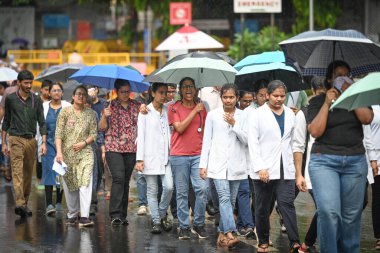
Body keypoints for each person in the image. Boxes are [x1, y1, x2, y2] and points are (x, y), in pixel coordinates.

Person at [307, 60, 374, 253]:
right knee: (329, 212)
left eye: (347, 75)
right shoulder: (318, 101)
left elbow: (367, 119)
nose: (343, 78)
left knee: (351, 216)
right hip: (324, 162)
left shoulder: (358, 97)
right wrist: (327, 103)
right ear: (329, 79)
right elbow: (315, 131)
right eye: (338, 75)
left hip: (354, 162)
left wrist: (350, 94)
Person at [247, 80, 300, 252]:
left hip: (285, 167)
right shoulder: (257, 114)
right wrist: (260, 167)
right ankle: (263, 241)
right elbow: (252, 142)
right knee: (262, 207)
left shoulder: (291, 114)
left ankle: (294, 242)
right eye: (275, 95)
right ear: (268, 95)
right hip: (265, 169)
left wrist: (298, 171)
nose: (278, 99)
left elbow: (294, 142)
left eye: (282, 96)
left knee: (287, 204)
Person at [199, 84, 246, 248]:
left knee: (231, 201)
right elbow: (207, 141)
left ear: (237, 98)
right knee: (224, 198)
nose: (228, 100)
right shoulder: (213, 115)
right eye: (225, 97)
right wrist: (203, 164)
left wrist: (235, 125)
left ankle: (221, 232)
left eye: (231, 97)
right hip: (217, 164)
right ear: (221, 98)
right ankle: (230, 232)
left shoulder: (243, 116)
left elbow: (248, 141)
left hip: (237, 165)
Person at [2, 70, 47, 217]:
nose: (28, 85)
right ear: (19, 82)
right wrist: (4, 143)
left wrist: (43, 142)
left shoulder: (36, 100)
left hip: (31, 140)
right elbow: (6, 121)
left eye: (30, 82)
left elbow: (42, 122)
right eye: (26, 83)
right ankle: (20, 202)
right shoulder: (10, 99)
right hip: (15, 138)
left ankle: (24, 204)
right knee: (17, 171)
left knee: (28, 174)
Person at [168, 77, 208, 240]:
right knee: (182, 192)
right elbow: (180, 128)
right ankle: (184, 226)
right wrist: (194, 111)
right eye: (185, 87)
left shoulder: (203, 108)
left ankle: (198, 224)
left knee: (202, 189)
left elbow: (205, 131)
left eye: (191, 86)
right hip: (179, 155)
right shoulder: (173, 108)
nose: (188, 89)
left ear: (196, 89)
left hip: (198, 154)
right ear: (180, 90)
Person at [99, 79, 141, 225]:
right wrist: (105, 115)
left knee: (126, 181)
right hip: (113, 147)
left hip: (131, 148)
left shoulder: (137, 106)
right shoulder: (109, 105)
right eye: (123, 91)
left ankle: (123, 215)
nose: (125, 94)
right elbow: (102, 128)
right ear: (116, 91)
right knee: (118, 178)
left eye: (128, 91)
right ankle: (115, 214)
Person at [55, 85, 97, 227]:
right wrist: (59, 152)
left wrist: (84, 143)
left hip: (85, 153)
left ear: (86, 98)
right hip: (67, 154)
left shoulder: (91, 113)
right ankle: (72, 214)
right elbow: (58, 134)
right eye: (78, 94)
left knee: (85, 183)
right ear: (73, 96)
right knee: (70, 185)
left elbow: (94, 134)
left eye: (84, 95)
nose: (81, 96)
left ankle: (84, 216)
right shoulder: (65, 112)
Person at [292, 76, 326, 253]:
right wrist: (299, 174)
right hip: (314, 169)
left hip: (332, 167)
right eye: (320, 91)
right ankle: (307, 244)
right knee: (326, 208)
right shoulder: (304, 113)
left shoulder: (337, 109)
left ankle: (308, 244)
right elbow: (298, 145)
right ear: (313, 91)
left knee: (327, 209)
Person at [136, 82, 173, 233]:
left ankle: (162, 213)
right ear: (153, 93)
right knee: (152, 190)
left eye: (166, 93)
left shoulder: (168, 110)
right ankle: (157, 221)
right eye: (161, 93)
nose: (164, 96)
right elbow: (141, 136)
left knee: (169, 187)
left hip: (167, 156)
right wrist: (139, 159)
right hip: (149, 155)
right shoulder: (145, 112)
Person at [41, 82, 71, 216]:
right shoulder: (44, 107)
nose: (56, 93)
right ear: (49, 93)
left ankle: (59, 201)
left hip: (63, 144)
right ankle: (49, 204)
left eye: (59, 90)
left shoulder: (67, 106)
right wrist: (42, 143)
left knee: (60, 172)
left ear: (62, 93)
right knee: (48, 172)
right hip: (47, 144)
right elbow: (41, 126)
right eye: (54, 90)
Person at [235, 90, 255, 238]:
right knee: (242, 192)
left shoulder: (253, 114)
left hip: (251, 161)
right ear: (238, 100)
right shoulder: (233, 115)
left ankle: (243, 224)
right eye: (244, 101)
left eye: (250, 101)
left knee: (246, 193)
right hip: (236, 160)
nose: (247, 104)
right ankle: (247, 225)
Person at [87, 85, 107, 215]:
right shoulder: (71, 114)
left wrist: (103, 149)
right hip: (78, 149)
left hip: (94, 148)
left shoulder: (95, 114)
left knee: (95, 176)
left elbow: (98, 132)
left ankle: (92, 204)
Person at [363, 105, 380, 251]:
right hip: (375, 156)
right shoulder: (369, 106)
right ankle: (379, 237)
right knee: (378, 197)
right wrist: (372, 158)